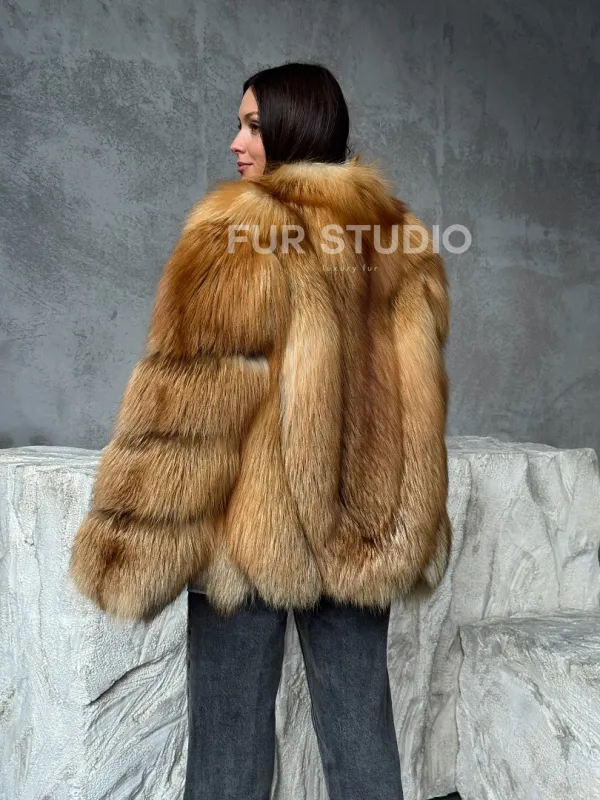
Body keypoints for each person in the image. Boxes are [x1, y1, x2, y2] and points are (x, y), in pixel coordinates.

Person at [68, 62, 451, 800]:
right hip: (363, 532)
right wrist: (398, 522)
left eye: (252, 125)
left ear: (294, 128)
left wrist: (130, 544)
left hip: (247, 535)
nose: (236, 143)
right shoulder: (400, 241)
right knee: (363, 741)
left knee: (228, 752)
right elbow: (418, 405)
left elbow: (187, 400)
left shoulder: (237, 232)